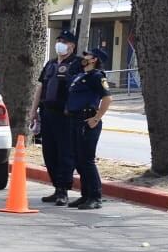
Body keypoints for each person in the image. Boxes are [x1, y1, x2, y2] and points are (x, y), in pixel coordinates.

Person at [37, 30, 81, 205]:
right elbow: (40, 87)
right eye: (59, 40)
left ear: (72, 45)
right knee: (49, 152)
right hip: (47, 112)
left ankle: (63, 190)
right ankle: (56, 187)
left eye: (64, 41)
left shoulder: (77, 64)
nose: (60, 44)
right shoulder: (50, 64)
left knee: (65, 153)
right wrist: (34, 112)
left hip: (66, 115)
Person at [66, 47, 113, 210]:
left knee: (87, 160)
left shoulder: (97, 76)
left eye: (87, 55)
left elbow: (107, 98)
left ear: (94, 59)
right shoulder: (80, 76)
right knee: (78, 160)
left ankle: (95, 196)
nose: (83, 57)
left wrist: (96, 118)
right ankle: (85, 195)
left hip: (88, 120)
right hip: (75, 119)